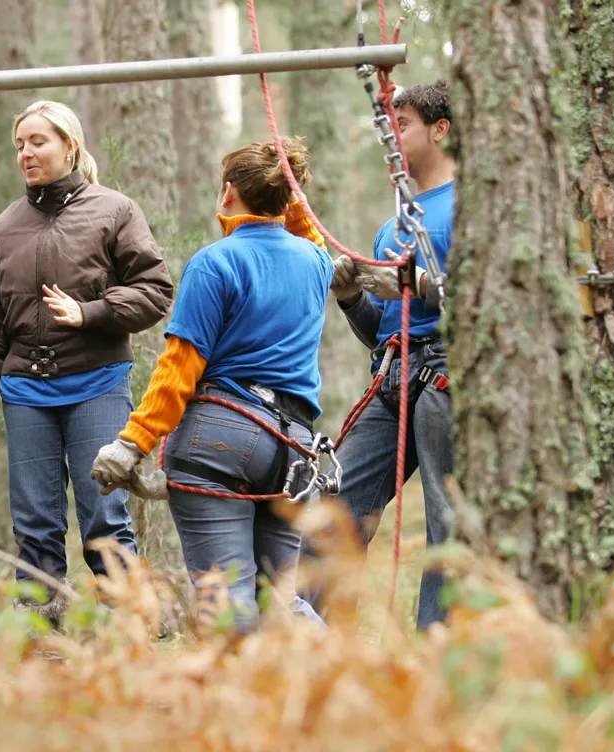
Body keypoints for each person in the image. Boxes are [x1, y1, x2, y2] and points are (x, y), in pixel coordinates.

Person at [91, 139, 331, 634]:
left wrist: (132, 443)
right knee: (281, 602)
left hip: (221, 435)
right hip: (294, 450)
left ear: (227, 193)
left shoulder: (215, 262)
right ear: (288, 200)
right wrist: (288, 196)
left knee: (228, 601)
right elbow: (311, 236)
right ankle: (347, 689)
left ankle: (235, 706)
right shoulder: (314, 263)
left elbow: (180, 367)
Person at [0, 100, 173, 623]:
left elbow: (154, 291)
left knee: (104, 515)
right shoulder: (5, 226)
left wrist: (91, 312)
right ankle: (41, 637)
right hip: (25, 394)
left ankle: (131, 626)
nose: (26, 153)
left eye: (38, 141)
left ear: (70, 146)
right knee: (34, 523)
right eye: (20, 145)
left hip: (96, 383)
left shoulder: (114, 210)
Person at [313, 81, 457, 630]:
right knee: (337, 510)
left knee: (447, 525)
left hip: (447, 373)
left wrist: (415, 281)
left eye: (404, 125)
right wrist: (352, 296)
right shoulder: (389, 227)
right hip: (396, 374)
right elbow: (383, 332)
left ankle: (438, 658)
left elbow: (485, 301)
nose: (392, 138)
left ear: (440, 129)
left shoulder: (468, 207)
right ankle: (322, 648)